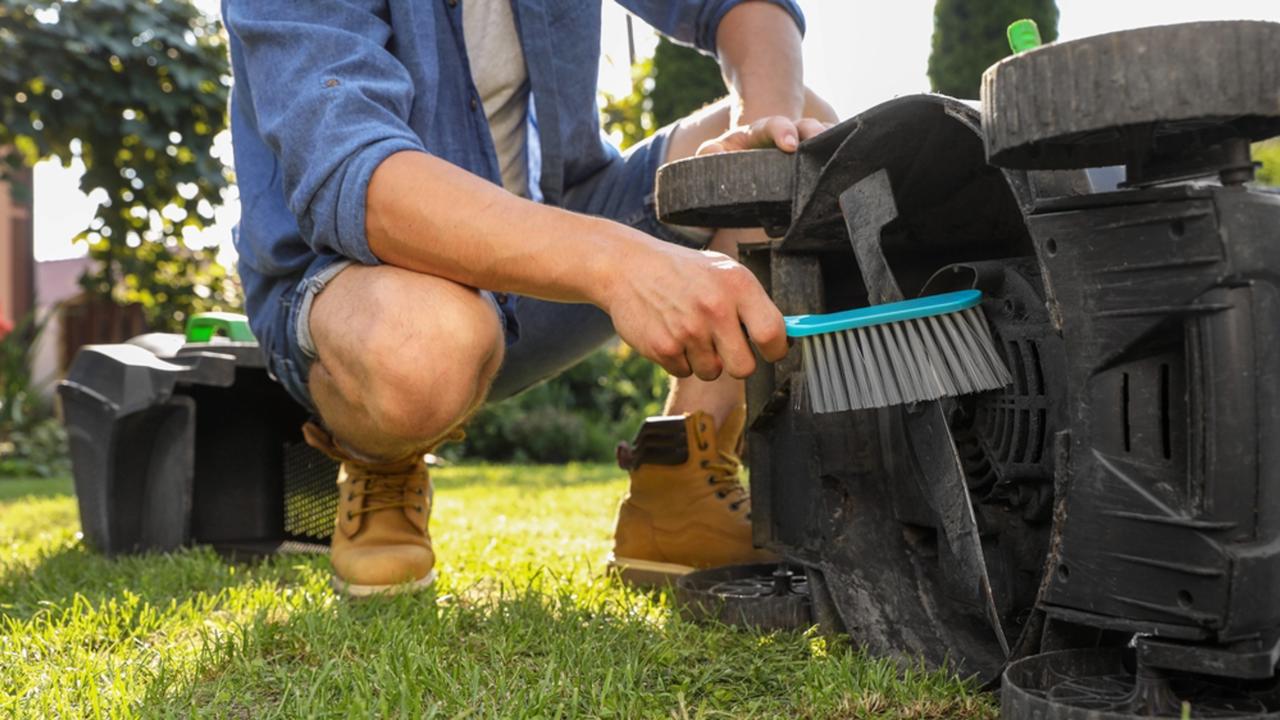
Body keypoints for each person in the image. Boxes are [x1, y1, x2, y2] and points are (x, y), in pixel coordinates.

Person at [223, 0, 838, 596]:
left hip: (547, 255)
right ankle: (383, 457)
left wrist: (764, 126)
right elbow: (354, 177)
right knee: (424, 345)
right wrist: (619, 264)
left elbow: (746, 9)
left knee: (791, 126)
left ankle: (680, 484)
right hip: (356, 294)